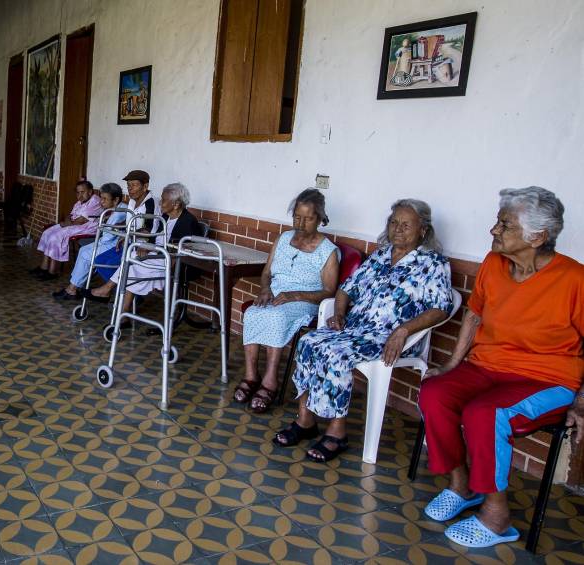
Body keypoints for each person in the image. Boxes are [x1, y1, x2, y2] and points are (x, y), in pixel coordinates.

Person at [417, 186, 583, 549]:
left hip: (546, 379)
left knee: (485, 413)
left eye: (504, 224)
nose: (494, 229)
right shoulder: (494, 264)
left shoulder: (575, 279)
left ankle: (496, 517)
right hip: (487, 367)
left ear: (537, 236)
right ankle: (461, 487)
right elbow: (473, 317)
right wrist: (449, 366)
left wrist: (581, 402)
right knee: (434, 393)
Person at [273, 199, 453, 462]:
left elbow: (441, 308)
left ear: (423, 230)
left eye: (406, 225)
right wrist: (339, 313)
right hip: (356, 328)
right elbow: (346, 288)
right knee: (309, 341)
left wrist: (404, 331)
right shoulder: (381, 255)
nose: (398, 229)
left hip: (392, 337)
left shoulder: (433, 263)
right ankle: (305, 419)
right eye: (393, 223)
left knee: (335, 353)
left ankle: (337, 432)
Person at [234, 188, 340, 413]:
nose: (301, 223)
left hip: (306, 299)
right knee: (253, 312)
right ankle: (251, 376)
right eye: (297, 217)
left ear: (320, 219)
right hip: (275, 294)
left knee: (276, 316)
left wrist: (295, 295)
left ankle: (270, 381)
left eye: (308, 218)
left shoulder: (328, 251)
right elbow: (267, 272)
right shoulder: (283, 239)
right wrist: (265, 288)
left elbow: (330, 291)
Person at [84, 183, 202, 318]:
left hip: (171, 261)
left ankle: (110, 293)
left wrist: (153, 250)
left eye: (163, 200)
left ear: (176, 204)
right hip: (157, 255)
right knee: (132, 256)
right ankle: (122, 310)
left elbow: (182, 250)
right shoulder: (166, 217)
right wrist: (146, 247)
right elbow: (155, 238)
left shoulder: (188, 221)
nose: (160, 203)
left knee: (132, 265)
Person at [53, 182, 127, 299]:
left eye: (104, 199)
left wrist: (104, 224)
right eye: (101, 198)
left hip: (113, 245)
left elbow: (108, 237)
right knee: (83, 250)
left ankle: (72, 289)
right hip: (107, 242)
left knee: (86, 254)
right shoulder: (117, 208)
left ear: (116, 199)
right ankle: (74, 286)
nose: (101, 202)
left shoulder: (120, 213)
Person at [29, 180, 103, 280]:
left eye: (82, 192)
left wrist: (67, 223)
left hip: (87, 228)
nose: (79, 195)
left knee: (56, 236)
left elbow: (81, 220)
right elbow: (71, 215)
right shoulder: (80, 202)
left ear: (90, 192)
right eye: (77, 192)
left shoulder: (95, 201)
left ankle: (52, 271)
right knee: (48, 232)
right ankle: (44, 267)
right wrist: (67, 221)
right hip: (74, 225)